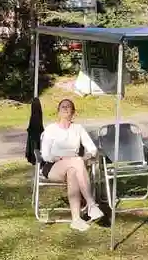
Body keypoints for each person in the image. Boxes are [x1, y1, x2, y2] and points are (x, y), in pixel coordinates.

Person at [40, 98, 106, 231]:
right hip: (53, 166)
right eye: (62, 107)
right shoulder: (51, 129)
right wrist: (61, 158)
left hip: (75, 166)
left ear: (73, 112)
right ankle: (92, 204)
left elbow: (92, 149)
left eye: (68, 107)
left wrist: (87, 156)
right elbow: (46, 155)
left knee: (73, 172)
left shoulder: (78, 128)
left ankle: (76, 219)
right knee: (76, 161)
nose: (65, 109)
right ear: (58, 112)